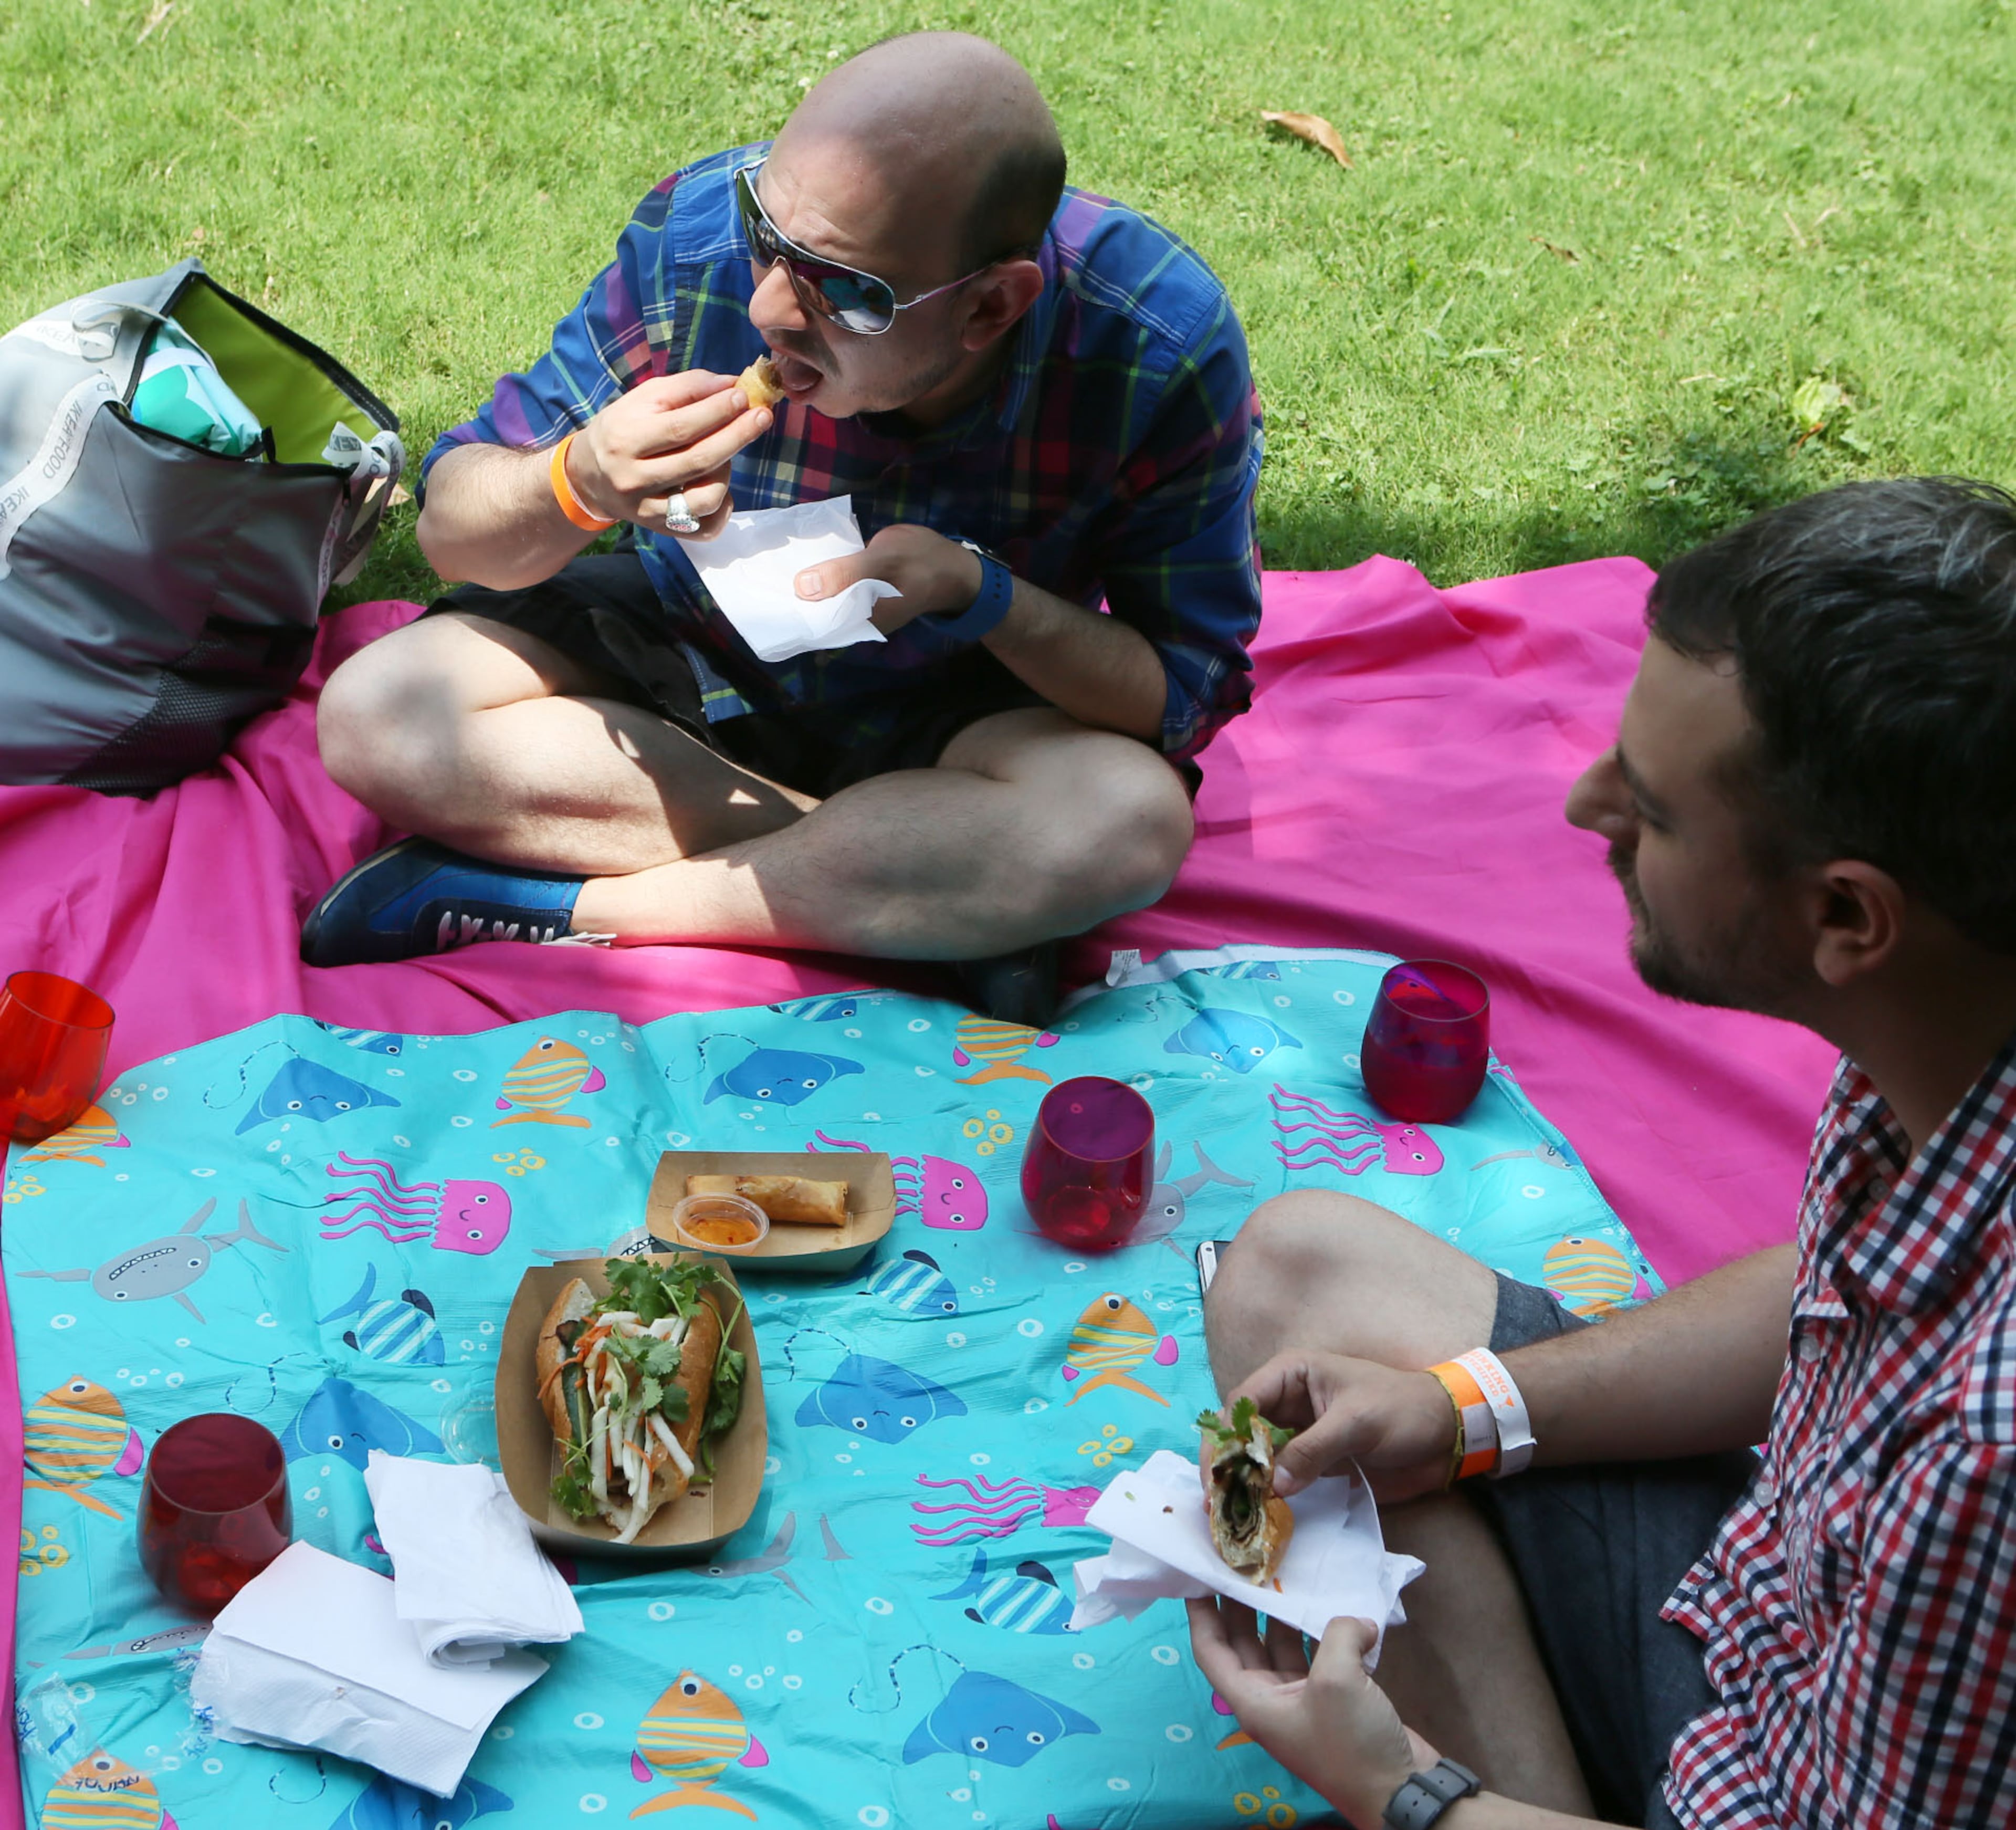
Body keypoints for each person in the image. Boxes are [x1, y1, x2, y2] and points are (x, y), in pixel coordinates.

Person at [1189, 477, 2016, 1828]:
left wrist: (1405, 1795)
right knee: (1299, 1273)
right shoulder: (1945, 1036)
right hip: (1773, 1615)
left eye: (1654, 805)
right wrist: (1466, 1413)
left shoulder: (1991, 1462)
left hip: (1801, 1780)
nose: (1584, 806)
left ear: (1849, 917)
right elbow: (1837, 1302)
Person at [302, 32, 1262, 1023]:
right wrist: (580, 479)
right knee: (381, 711)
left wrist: (985, 595)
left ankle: (589, 906)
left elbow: (1180, 693)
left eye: (845, 291)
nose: (768, 306)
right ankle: (931, 891)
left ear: (990, 307)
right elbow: (453, 528)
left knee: (1130, 825)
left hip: (965, 704)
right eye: (767, 231)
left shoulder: (1156, 344)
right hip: (690, 652)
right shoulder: (697, 234)